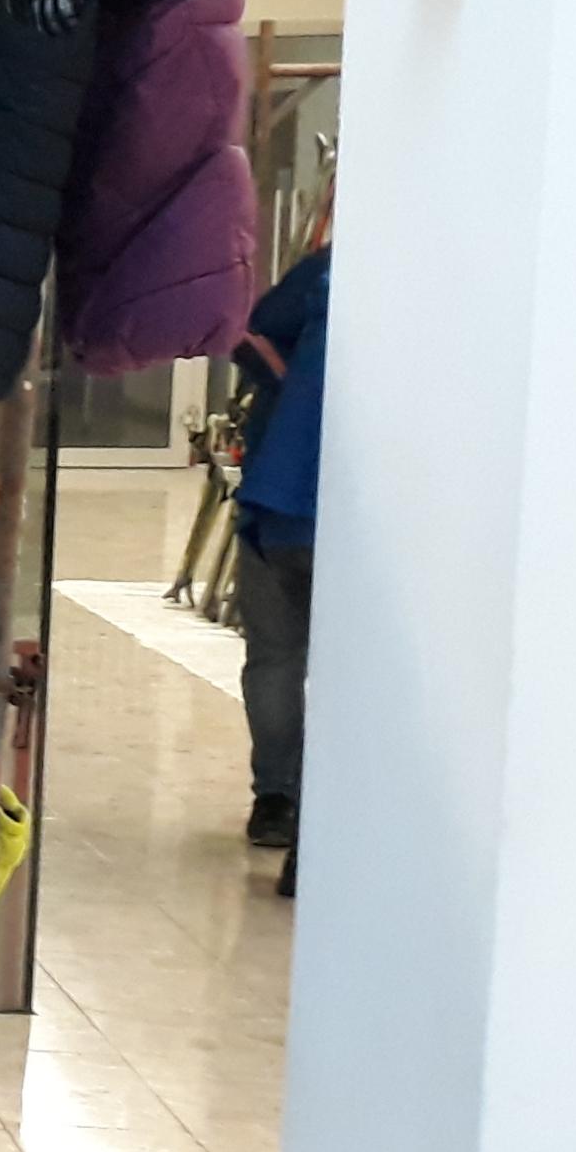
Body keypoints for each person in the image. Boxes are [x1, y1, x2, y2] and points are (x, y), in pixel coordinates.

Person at [230, 239, 327, 854]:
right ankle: (329, 808)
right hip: (355, 515)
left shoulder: (328, 272)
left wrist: (294, 395)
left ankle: (276, 802)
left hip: (279, 500)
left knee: (274, 657)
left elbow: (246, 333)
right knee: (355, 669)